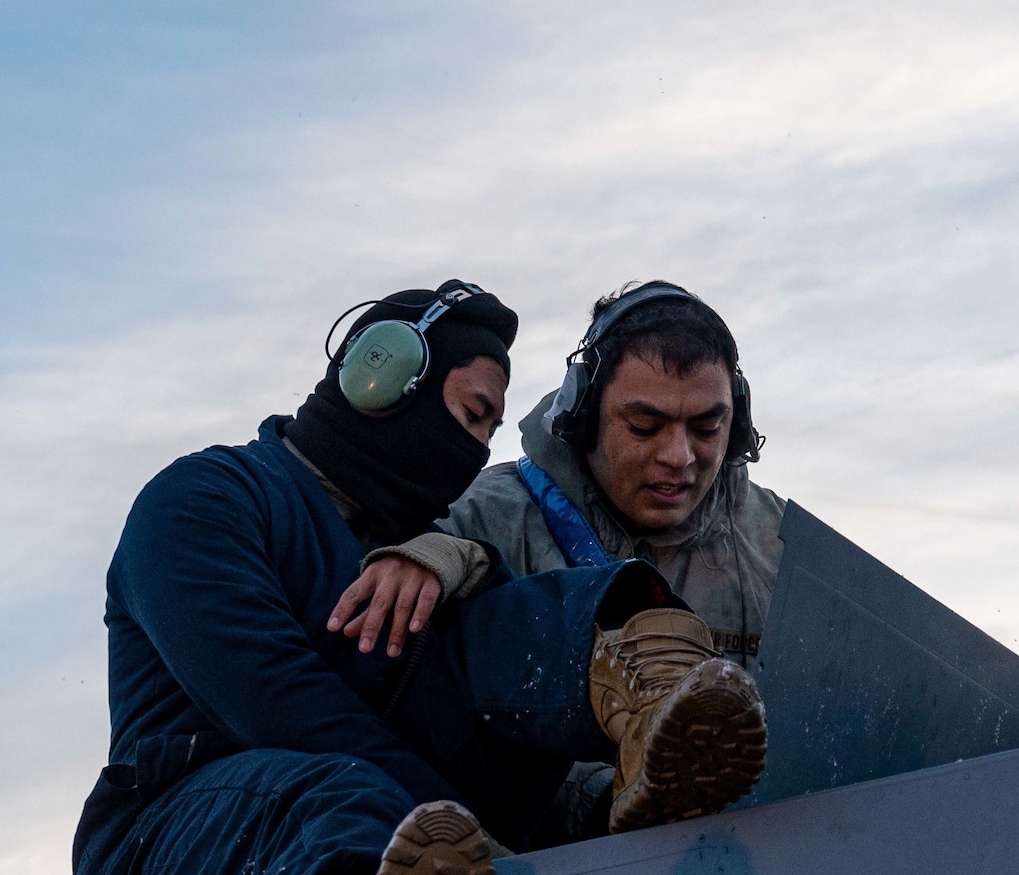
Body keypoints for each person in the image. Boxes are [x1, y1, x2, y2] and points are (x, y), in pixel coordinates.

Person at [72, 280, 768, 875]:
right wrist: (473, 837)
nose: (473, 450)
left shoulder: (404, 545)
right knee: (326, 795)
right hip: (174, 816)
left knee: (506, 628)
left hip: (370, 795)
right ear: (381, 379)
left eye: (488, 430)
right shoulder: (207, 497)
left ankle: (651, 701)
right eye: (470, 415)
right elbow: (276, 703)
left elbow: (471, 696)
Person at [328, 282, 786, 841]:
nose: (679, 457)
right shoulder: (475, 522)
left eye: (707, 427)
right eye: (644, 427)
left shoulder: (781, 544)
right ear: (583, 413)